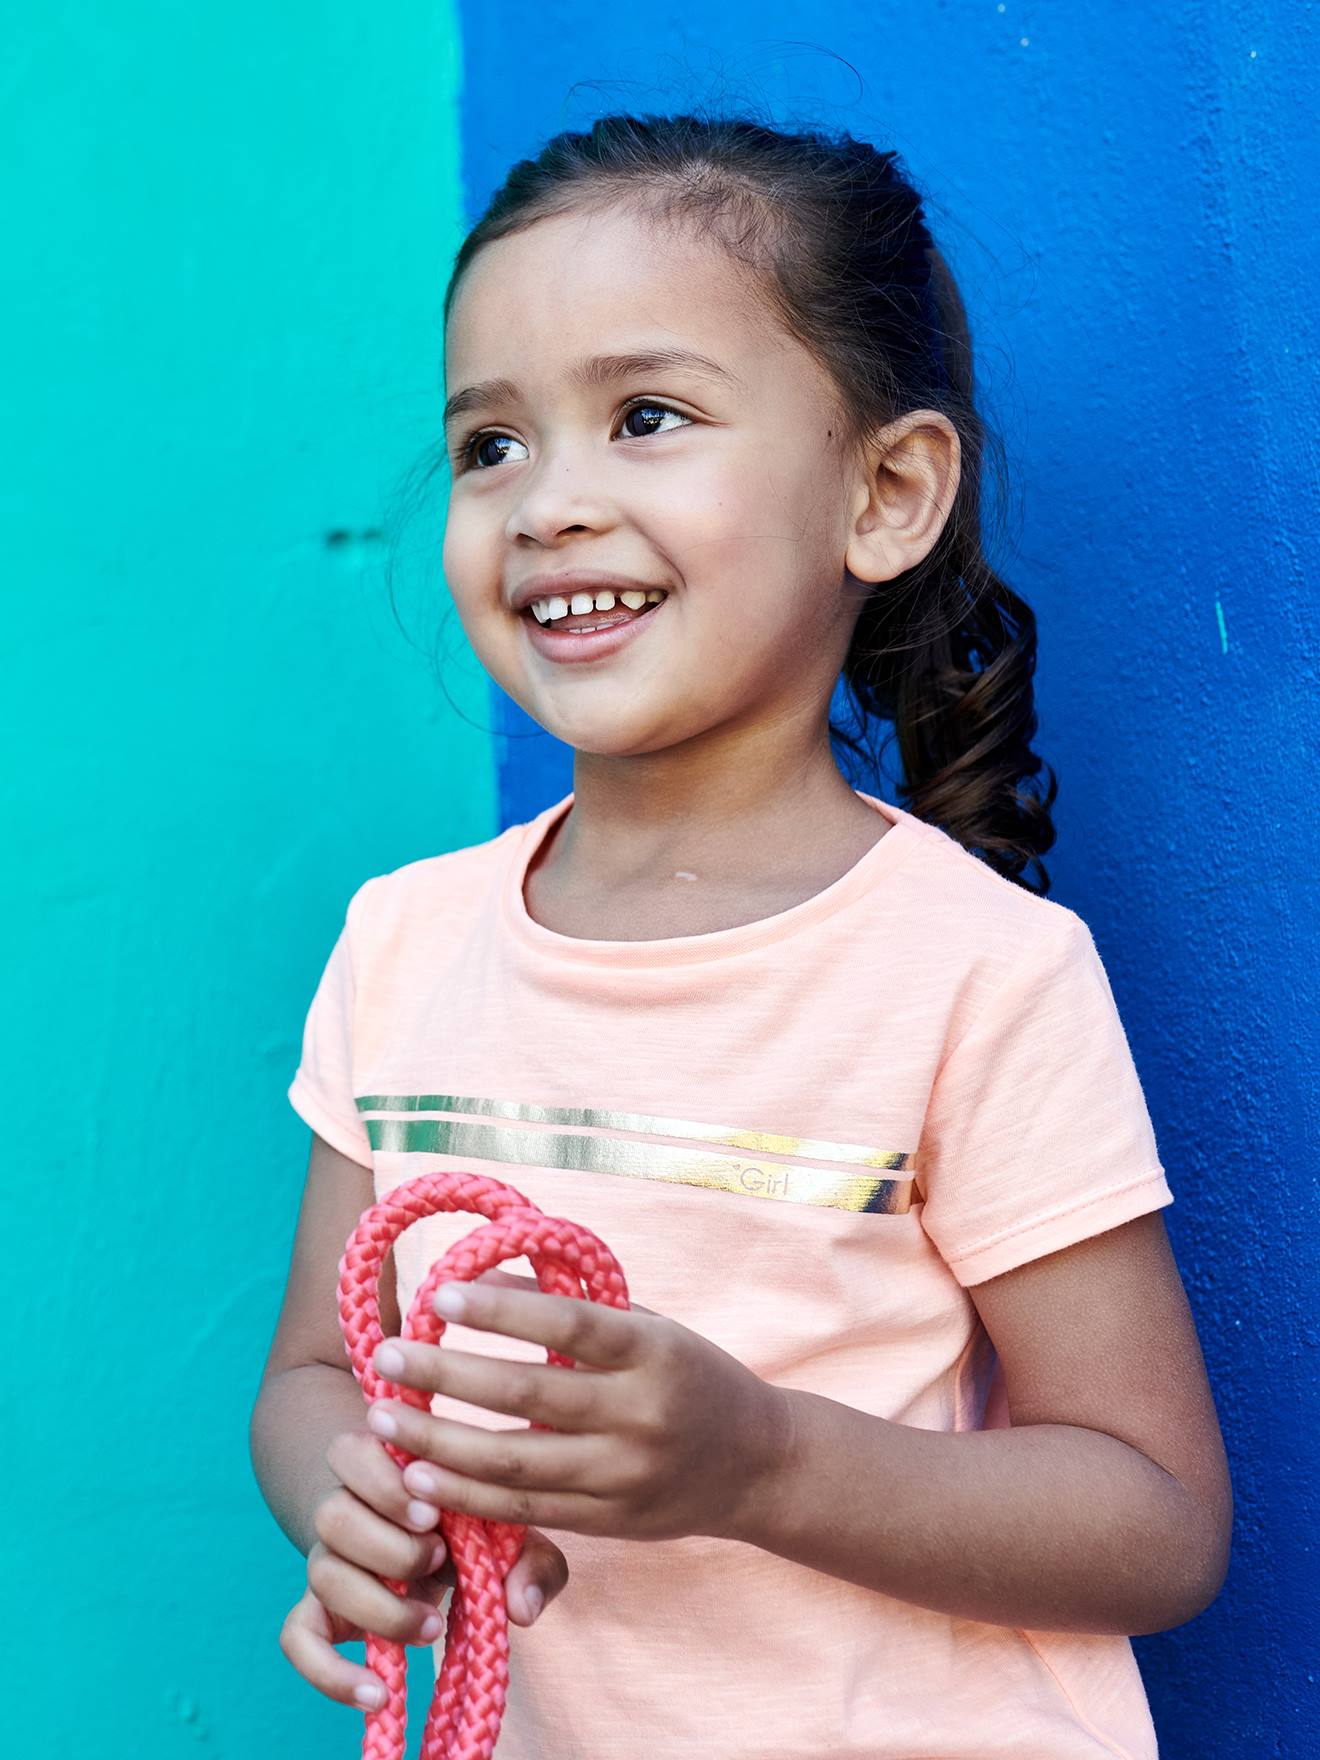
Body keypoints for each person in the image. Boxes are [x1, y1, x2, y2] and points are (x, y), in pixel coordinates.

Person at [249, 111, 1232, 1759]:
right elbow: (309, 1381)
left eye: (646, 417)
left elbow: (1155, 1520)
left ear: (887, 491)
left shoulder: (977, 972)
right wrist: (351, 1505)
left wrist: (763, 1461)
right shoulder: (401, 947)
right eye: (492, 445)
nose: (549, 502)